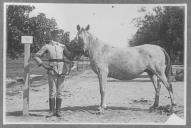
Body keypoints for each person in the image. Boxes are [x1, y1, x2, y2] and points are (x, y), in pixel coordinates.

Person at [33, 29, 72, 117]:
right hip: (51, 70)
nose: (59, 36)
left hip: (62, 71)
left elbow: (69, 56)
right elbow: (36, 56)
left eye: (60, 35)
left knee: (60, 91)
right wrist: (44, 65)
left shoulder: (63, 46)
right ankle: (51, 111)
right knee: (52, 91)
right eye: (57, 34)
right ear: (52, 35)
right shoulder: (47, 46)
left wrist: (75, 51)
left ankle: (58, 111)